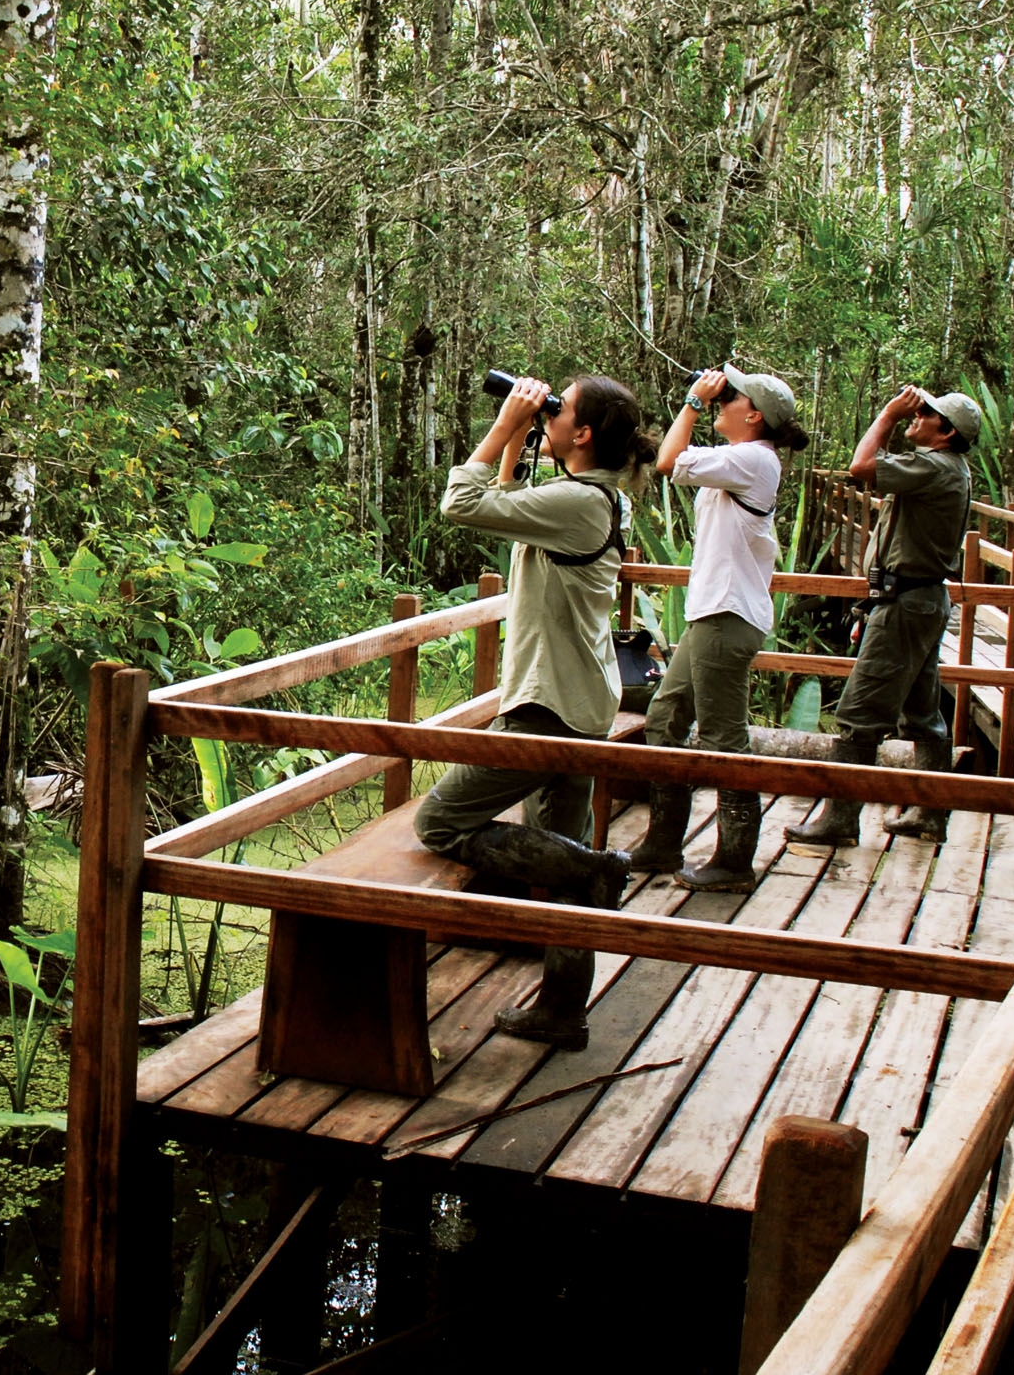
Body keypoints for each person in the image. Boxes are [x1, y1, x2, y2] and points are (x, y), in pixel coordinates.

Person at [415, 372, 659, 1051]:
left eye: (560, 410)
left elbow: (462, 502)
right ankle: (561, 1009)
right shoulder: (595, 497)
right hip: (580, 698)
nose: (548, 416)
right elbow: (510, 499)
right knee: (559, 846)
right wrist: (524, 429)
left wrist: (504, 425)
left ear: (581, 434)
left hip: (547, 708)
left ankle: (594, 868)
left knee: (441, 821)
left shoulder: (580, 502)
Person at [629, 365, 812, 892]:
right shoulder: (742, 460)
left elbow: (668, 461)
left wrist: (691, 400)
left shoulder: (753, 459)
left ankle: (734, 860)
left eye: (730, 397)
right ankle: (662, 844)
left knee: (724, 739)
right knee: (665, 720)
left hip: (728, 617)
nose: (721, 401)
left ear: (752, 416)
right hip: (711, 615)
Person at [785, 385, 982, 846]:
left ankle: (839, 820)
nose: (917, 416)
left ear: (947, 431)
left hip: (907, 605)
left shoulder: (936, 465)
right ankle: (929, 814)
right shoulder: (943, 467)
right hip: (917, 600)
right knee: (923, 715)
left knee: (858, 716)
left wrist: (890, 416)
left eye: (927, 414)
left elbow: (861, 468)